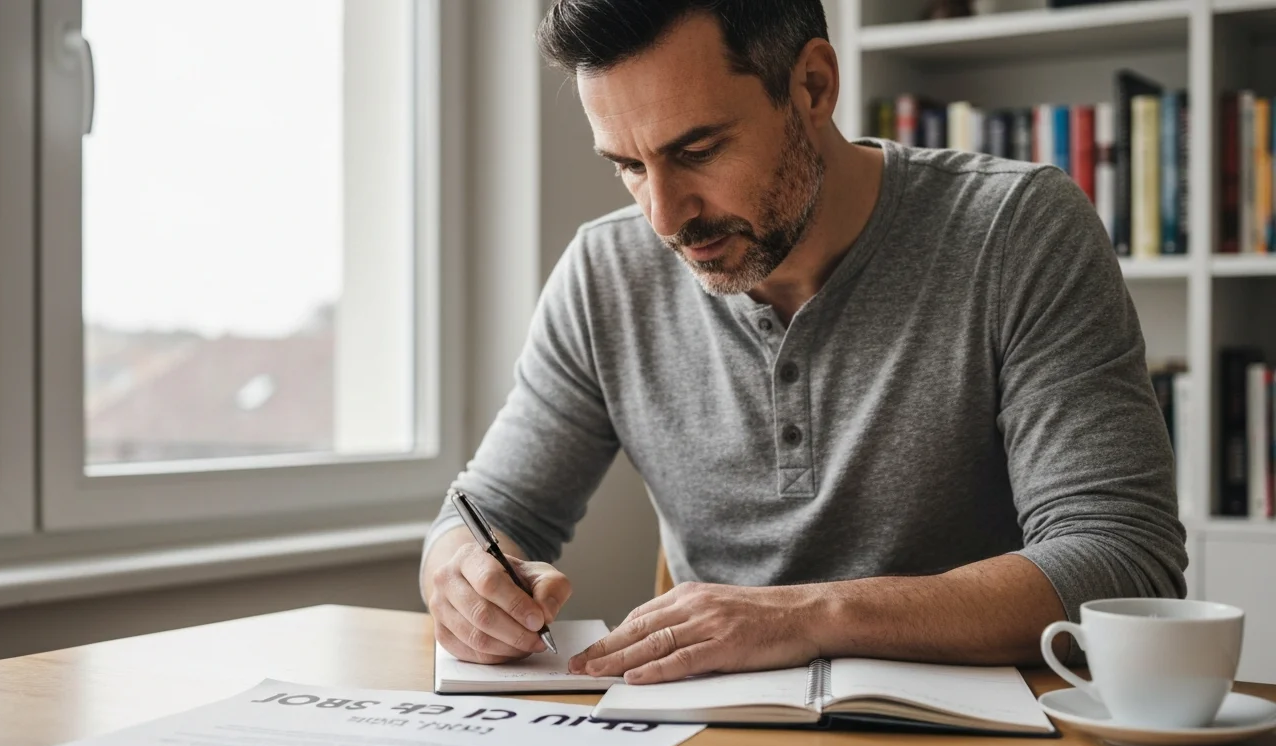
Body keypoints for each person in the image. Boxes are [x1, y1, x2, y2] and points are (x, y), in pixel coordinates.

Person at [420, 0, 1187, 686]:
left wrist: (804, 617)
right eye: (628, 166)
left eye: (697, 151)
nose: (662, 217)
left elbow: (1124, 562)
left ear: (813, 86)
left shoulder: (1017, 230)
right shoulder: (604, 273)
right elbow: (487, 511)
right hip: (724, 740)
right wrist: (460, 571)